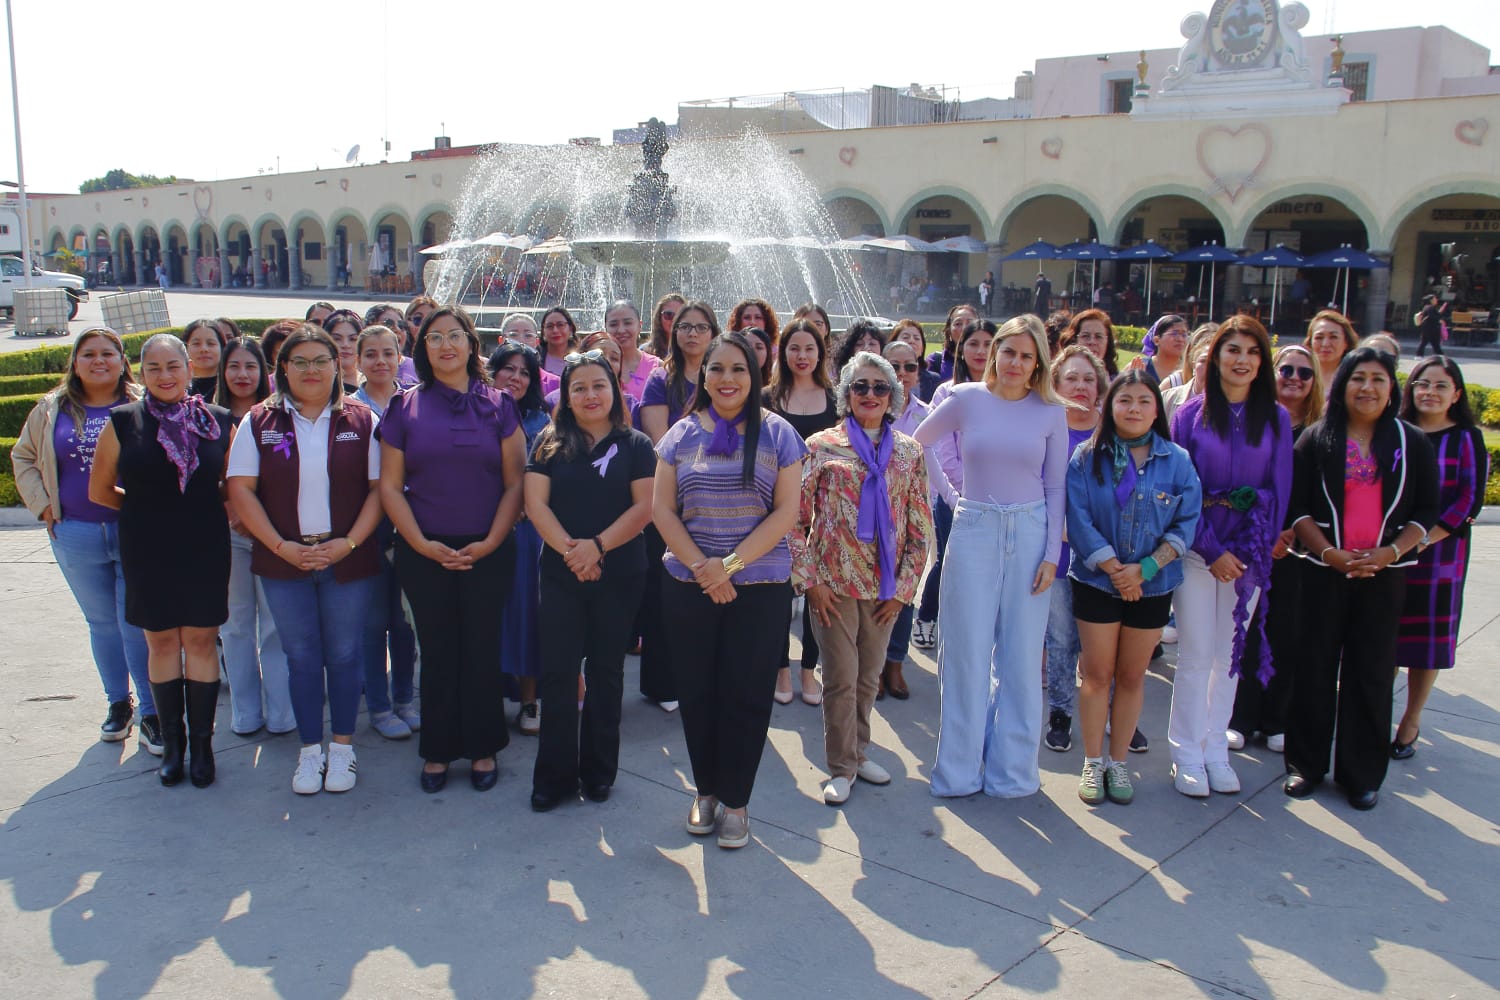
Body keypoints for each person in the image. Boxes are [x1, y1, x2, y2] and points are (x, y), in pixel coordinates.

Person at [653, 331, 807, 848]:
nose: (727, 379)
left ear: (755, 375)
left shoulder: (779, 434)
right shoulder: (679, 435)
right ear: (703, 374)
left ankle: (737, 801)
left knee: (746, 694)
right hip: (691, 586)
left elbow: (786, 512)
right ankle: (706, 791)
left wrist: (731, 566)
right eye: (716, 368)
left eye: (738, 369)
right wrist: (704, 569)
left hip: (759, 588)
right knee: (697, 692)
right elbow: (662, 511)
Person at [914, 315, 1069, 797]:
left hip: (1031, 532)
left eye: (1027, 356)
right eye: (1009, 352)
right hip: (974, 529)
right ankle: (958, 772)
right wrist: (951, 495)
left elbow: (1056, 485)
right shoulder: (965, 398)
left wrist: (1051, 554)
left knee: (1021, 658)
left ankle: (1012, 773)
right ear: (995, 352)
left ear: (1038, 362)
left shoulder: (1051, 411)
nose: (1016, 363)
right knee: (966, 653)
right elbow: (917, 443)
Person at [227, 325, 384, 794]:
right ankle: (310, 751)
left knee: (345, 654)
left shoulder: (362, 419)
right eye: (300, 362)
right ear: (283, 369)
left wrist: (349, 543)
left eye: (321, 361)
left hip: (347, 559)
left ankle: (343, 749)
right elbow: (241, 490)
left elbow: (380, 490)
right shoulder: (260, 421)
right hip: (285, 561)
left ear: (337, 366)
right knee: (301, 657)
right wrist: (281, 546)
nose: (311, 370)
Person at [378, 306, 526, 792]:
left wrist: (491, 542)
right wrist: (420, 543)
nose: (446, 345)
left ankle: (483, 747)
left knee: (481, 648)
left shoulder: (499, 404)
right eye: (435, 336)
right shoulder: (404, 406)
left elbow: (515, 482)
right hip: (423, 550)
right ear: (423, 347)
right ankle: (438, 749)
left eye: (455, 335)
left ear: (470, 343)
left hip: (489, 548)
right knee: (438, 649)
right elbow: (389, 486)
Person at [1284, 347, 1438, 810]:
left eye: (1378, 379)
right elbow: (1298, 507)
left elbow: (1426, 510)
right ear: (1342, 386)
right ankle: (1305, 765)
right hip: (1323, 572)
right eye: (1357, 378)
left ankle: (1361, 774)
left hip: (1384, 576)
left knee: (1370, 673)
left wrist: (1391, 552)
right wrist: (1328, 553)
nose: (1367, 388)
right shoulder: (1316, 439)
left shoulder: (1413, 443)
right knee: (1313, 668)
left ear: (1392, 389)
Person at [88, 334, 235, 788]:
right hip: (147, 547)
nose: (165, 376)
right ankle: (173, 746)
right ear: (141, 372)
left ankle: (203, 747)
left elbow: (233, 485)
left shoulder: (218, 420)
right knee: (163, 643)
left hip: (204, 545)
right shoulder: (123, 422)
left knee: (201, 641)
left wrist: (197, 511)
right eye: (154, 368)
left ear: (189, 369)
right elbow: (100, 490)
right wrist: (146, 510)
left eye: (173, 366)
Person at [11, 328, 161, 753]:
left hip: (134, 531)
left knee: (136, 624)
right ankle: (118, 703)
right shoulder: (51, 408)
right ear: (75, 363)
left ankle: (152, 711)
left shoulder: (145, 404)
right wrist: (43, 506)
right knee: (102, 624)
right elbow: (23, 457)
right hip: (75, 532)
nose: (99, 361)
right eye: (89, 354)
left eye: (108, 353)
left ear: (122, 361)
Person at [793, 352, 931, 804]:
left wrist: (904, 592)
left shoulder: (909, 452)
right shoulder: (820, 446)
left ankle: (860, 752)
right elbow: (794, 520)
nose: (870, 394)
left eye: (879, 387)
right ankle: (841, 766)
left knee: (869, 677)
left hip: (884, 589)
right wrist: (810, 581)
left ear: (893, 396)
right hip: (832, 585)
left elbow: (920, 527)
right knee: (840, 677)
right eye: (860, 386)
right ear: (846, 394)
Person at [1167, 317, 1292, 799]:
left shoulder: (1276, 419)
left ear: (1262, 362)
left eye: (1252, 352)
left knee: (1229, 656)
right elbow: (1179, 491)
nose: (1242, 360)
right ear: (1215, 356)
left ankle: (1215, 748)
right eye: (1232, 349)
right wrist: (1212, 549)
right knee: (1196, 655)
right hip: (1198, 553)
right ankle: (1186, 753)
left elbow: (1279, 490)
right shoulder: (1189, 416)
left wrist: (1246, 550)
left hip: (1249, 556)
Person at [525, 352, 656, 810]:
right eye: (578, 387)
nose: (589, 395)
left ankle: (599, 773)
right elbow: (536, 505)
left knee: (606, 673)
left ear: (614, 389)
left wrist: (597, 548)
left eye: (598, 385)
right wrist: (574, 553)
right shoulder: (547, 442)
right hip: (561, 573)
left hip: (620, 573)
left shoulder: (637, 444)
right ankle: (554, 778)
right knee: (559, 673)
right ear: (566, 395)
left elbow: (644, 508)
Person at [1067, 372, 1201, 804]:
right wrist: (1114, 568)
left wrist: (1145, 568)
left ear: (1157, 408)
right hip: (1096, 581)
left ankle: (1118, 762)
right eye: (1125, 400)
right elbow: (1078, 517)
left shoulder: (1176, 461)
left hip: (1152, 586)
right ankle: (1093, 761)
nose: (1134, 409)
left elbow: (1187, 521)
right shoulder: (1087, 458)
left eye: (1144, 400)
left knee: (1130, 676)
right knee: (1097, 674)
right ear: (1110, 406)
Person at [1226, 345, 1324, 755]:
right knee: (1247, 630)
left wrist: (1292, 532)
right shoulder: (1257, 420)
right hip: (1253, 540)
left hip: (1300, 547)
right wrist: (1268, 533)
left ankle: (1277, 719)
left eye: (1305, 372)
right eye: (1287, 369)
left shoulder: (1321, 430)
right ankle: (1242, 717)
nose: (1295, 378)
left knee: (1287, 631)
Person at [1392, 357, 1486, 760]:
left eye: (1440, 385)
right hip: (1390, 553)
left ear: (1456, 394)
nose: (1430, 392)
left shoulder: (1466, 438)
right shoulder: (1396, 432)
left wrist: (1424, 539)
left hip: (1440, 555)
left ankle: (1411, 720)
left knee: (1424, 644)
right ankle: (1372, 715)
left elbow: (1469, 498)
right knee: (1384, 637)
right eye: (1422, 384)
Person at [636, 299, 715, 713]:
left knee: (707, 587)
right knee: (665, 589)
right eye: (685, 326)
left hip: (716, 500)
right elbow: (660, 443)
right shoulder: (659, 379)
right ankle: (663, 682)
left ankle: (704, 676)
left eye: (701, 326)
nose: (692, 333)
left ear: (713, 333)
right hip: (669, 497)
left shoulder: (721, 375)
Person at [213, 337, 294, 736]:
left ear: (264, 372)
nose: (242, 374)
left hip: (275, 535)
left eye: (250, 366)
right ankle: (245, 712)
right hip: (229, 537)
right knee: (235, 625)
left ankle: (281, 712)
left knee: (276, 628)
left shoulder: (280, 416)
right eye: (234, 366)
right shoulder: (208, 418)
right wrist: (235, 513)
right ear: (223, 372)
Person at [762, 318, 838, 706]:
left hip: (821, 510)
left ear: (820, 353)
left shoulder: (835, 399)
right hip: (773, 506)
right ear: (783, 352)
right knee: (776, 592)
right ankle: (780, 669)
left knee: (815, 592)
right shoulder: (766, 397)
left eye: (810, 348)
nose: (802, 356)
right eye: (794, 348)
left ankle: (809, 670)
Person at [352, 325, 420, 739]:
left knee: (405, 622)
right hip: (368, 528)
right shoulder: (348, 409)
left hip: (411, 525)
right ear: (358, 360)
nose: (380, 361)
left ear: (400, 357)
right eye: (371, 354)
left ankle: (405, 700)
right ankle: (378, 707)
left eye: (388, 353)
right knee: (374, 622)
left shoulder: (413, 402)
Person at [912, 318, 995, 653]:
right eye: (973, 343)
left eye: (988, 344)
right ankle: (927, 617)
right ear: (961, 349)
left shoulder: (1007, 396)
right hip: (954, 499)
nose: (980, 351)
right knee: (948, 562)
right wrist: (961, 494)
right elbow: (943, 453)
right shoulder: (948, 392)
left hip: (998, 502)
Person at [1042, 345, 1108, 753]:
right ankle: (1061, 712)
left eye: (1088, 379)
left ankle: (1114, 712)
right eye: (1072, 378)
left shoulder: (1114, 430)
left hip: (1109, 559)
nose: (1081, 386)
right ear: (1056, 383)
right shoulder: (1047, 428)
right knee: (1062, 640)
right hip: (1059, 555)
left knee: (1106, 645)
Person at [489, 340, 550, 735]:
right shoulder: (477, 412)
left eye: (525, 372)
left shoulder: (542, 422)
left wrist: (529, 504)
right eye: (508, 369)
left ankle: (529, 701)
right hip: (482, 524)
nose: (516, 377)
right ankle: (487, 701)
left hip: (528, 531)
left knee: (528, 614)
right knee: (488, 616)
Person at [877, 338, 933, 698]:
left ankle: (895, 662)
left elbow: (938, 462)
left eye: (909, 366)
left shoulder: (927, 413)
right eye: (894, 366)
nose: (902, 373)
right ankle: (874, 664)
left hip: (910, 509)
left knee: (904, 587)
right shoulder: (869, 401)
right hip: (869, 513)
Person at [605, 300, 661, 401]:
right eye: (613, 324)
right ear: (605, 328)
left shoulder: (658, 367)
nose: (621, 330)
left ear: (639, 326)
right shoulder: (598, 366)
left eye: (627, 323)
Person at [1304, 309, 1359, 391]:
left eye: (1333, 337)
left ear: (1346, 342)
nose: (1325, 344)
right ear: (1310, 342)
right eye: (1319, 337)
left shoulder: (1355, 379)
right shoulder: (1299, 376)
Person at [1058, 309, 1121, 379]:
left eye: (1098, 337)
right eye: (1085, 336)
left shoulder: (1118, 382)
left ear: (1107, 342)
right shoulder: (1058, 379)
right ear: (1074, 340)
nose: (1092, 342)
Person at [925, 303, 979, 382]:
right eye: (958, 324)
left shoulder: (989, 362)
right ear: (949, 330)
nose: (964, 328)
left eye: (970, 323)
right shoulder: (936, 361)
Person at [891, 318, 941, 402]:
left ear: (922, 349)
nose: (911, 341)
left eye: (916, 338)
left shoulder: (934, 380)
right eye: (906, 337)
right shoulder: (884, 377)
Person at [322, 309, 364, 395]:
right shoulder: (318, 384)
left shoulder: (372, 382)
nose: (345, 345)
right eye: (337, 339)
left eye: (353, 339)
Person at [183, 318, 226, 399]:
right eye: (196, 344)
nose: (204, 349)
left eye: (211, 343)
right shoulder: (178, 389)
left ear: (222, 348)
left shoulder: (231, 387)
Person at [1140, 314, 1189, 384]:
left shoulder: (1191, 371)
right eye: (1174, 334)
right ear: (1157, 340)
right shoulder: (1140, 368)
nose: (1180, 339)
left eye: (1184, 335)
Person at [539, 306, 580, 377]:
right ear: (543, 331)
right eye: (550, 326)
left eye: (560, 325)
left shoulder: (581, 358)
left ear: (570, 329)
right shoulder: (535, 359)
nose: (555, 330)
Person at [646, 293, 686, 358]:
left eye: (679, 315)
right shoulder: (645, 352)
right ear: (659, 317)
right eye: (669, 315)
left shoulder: (694, 350)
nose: (674, 320)